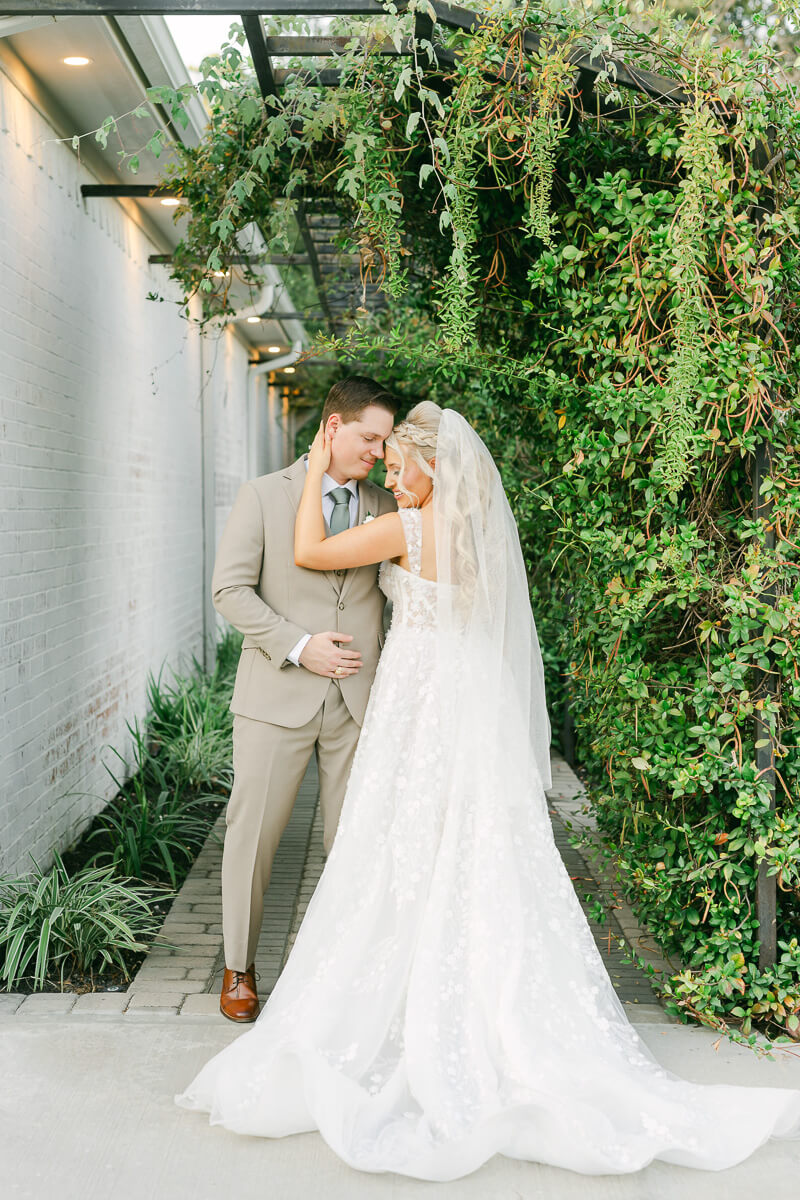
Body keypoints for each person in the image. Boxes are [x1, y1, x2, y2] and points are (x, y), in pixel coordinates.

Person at [175, 402, 800, 1178]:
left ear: (435, 467)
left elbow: (312, 547)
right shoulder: (474, 536)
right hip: (469, 700)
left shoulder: (410, 529)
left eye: (401, 464)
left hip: (421, 700)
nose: (393, 477)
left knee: (405, 840)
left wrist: (315, 465)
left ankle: (408, 997)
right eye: (386, 461)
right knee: (474, 844)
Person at [209, 376, 397, 1022]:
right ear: (333, 428)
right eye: (369, 437)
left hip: (359, 704)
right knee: (253, 836)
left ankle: (338, 975)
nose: (377, 451)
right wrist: (298, 645)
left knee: (351, 843)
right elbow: (230, 591)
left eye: (384, 441)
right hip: (275, 697)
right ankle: (238, 967)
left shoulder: (388, 503)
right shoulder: (264, 496)